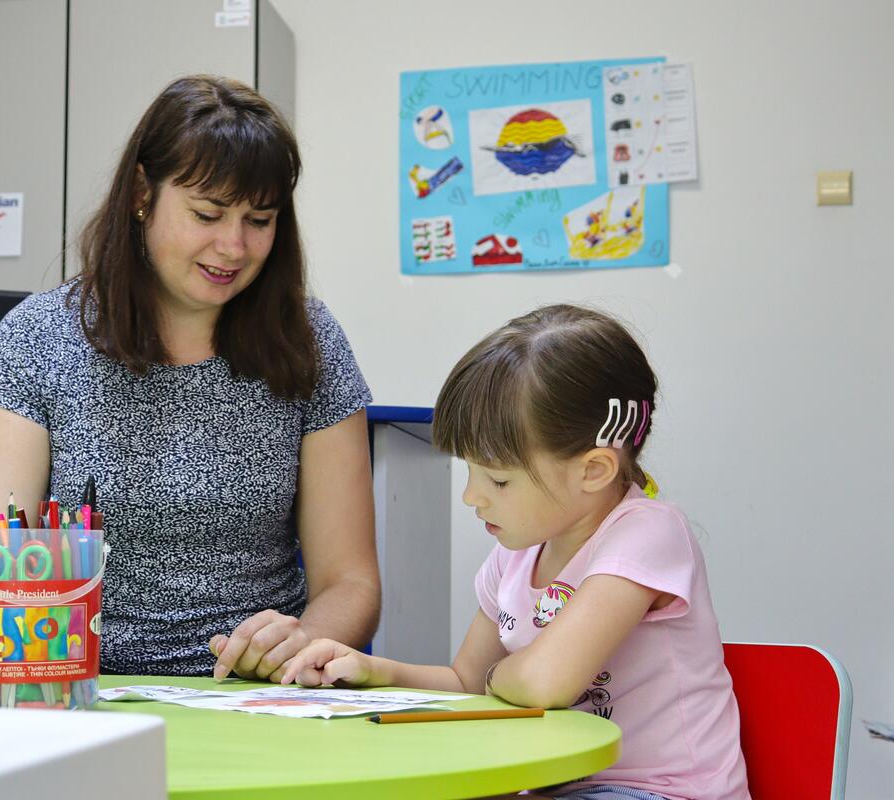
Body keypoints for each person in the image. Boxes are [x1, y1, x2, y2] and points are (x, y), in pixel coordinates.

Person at [0, 75, 381, 690]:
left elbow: (352, 583)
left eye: (258, 220)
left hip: (257, 694)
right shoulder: (38, 338)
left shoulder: (308, 339)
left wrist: (302, 640)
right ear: (141, 194)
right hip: (74, 688)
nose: (233, 246)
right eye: (207, 214)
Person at [282, 305, 749, 800]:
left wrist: (497, 677)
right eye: (470, 471)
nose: (471, 497)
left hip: (659, 791)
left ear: (593, 470)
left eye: (499, 479)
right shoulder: (517, 552)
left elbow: (544, 683)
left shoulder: (648, 534)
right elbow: (467, 682)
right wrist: (378, 672)